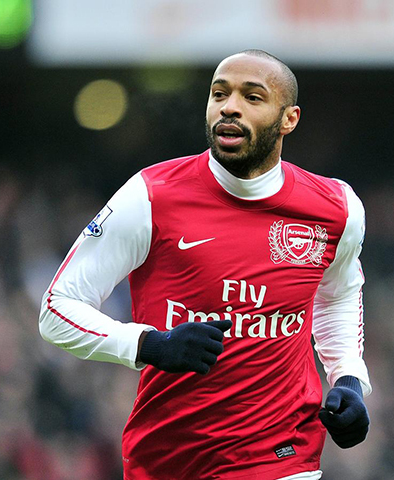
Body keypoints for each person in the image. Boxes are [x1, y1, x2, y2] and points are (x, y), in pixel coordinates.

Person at [39, 49, 371, 480]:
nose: (230, 107)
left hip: (282, 455)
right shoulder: (151, 195)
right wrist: (149, 344)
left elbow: (338, 294)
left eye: (252, 97)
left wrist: (348, 377)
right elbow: (57, 309)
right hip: (170, 458)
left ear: (288, 119)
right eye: (220, 94)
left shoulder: (336, 207)